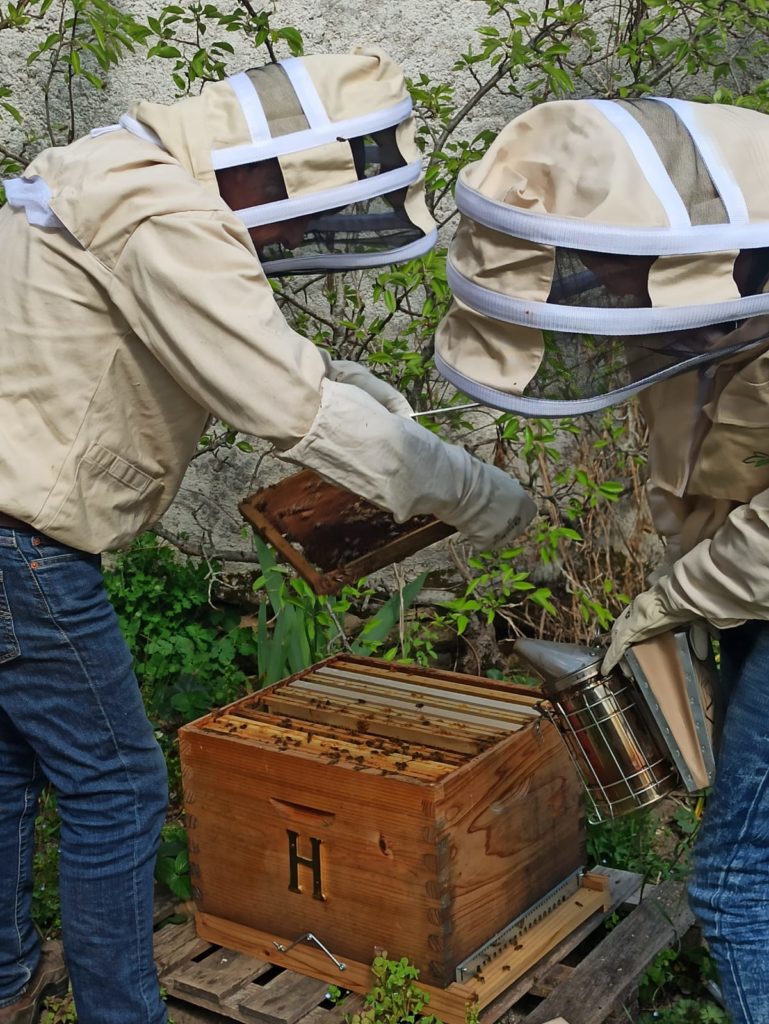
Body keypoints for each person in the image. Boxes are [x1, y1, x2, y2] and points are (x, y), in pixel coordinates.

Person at [0, 47, 536, 1023]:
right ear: (284, 167)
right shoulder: (167, 215)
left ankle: (3, 975)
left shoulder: (104, 168)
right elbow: (283, 406)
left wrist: (360, 394)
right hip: (21, 548)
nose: (300, 233)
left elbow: (225, 341)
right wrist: (478, 494)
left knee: (7, 760)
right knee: (118, 786)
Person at [433, 94, 769, 1023]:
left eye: (613, 273)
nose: (608, 294)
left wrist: (673, 596)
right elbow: (694, 467)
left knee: (737, 887)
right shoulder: (692, 302)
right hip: (751, 607)